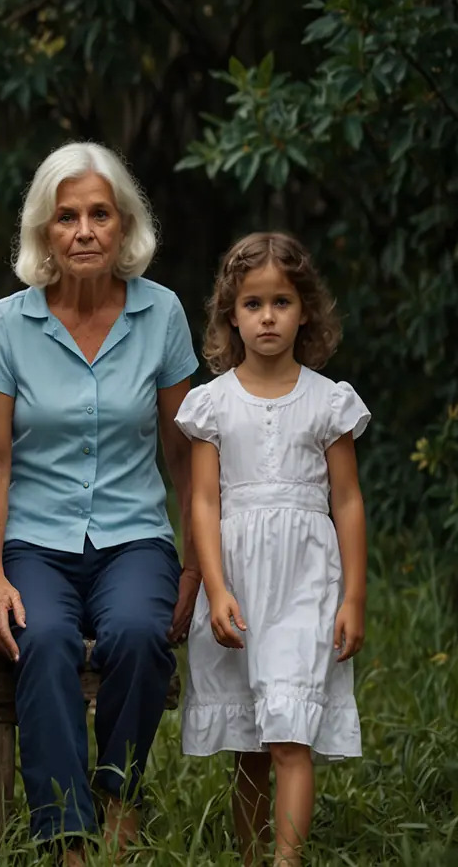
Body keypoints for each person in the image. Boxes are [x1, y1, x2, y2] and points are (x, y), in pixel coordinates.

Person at [0, 141, 201, 860]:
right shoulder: (10, 323)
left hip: (135, 535)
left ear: (124, 224)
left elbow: (182, 454)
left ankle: (119, 795)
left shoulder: (161, 314)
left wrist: (195, 566)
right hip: (34, 539)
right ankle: (67, 831)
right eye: (66, 217)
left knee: (138, 633)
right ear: (44, 232)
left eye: (100, 214)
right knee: (42, 640)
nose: (84, 231)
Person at [175, 232, 367, 866]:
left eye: (281, 302)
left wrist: (353, 597)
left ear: (304, 309)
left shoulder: (327, 401)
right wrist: (215, 586)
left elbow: (346, 501)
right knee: (252, 743)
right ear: (232, 313)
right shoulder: (212, 403)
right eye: (253, 304)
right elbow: (205, 501)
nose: (267, 317)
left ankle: (288, 862)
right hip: (238, 586)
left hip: (305, 584)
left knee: (290, 736)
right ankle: (251, 857)